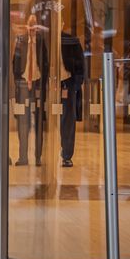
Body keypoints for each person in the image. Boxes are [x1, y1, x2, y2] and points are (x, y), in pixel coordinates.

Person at [12, 14, 49, 167]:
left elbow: (45, 63)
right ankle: (23, 157)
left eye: (35, 24)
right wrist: (17, 81)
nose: (33, 28)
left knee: (39, 121)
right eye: (30, 24)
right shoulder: (20, 40)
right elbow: (15, 62)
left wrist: (44, 83)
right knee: (23, 121)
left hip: (38, 83)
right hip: (22, 83)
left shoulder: (41, 41)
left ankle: (38, 157)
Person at [59, 29, 84, 167]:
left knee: (68, 120)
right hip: (47, 83)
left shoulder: (71, 41)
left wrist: (75, 86)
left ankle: (67, 155)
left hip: (66, 83)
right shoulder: (42, 39)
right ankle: (39, 156)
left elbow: (80, 66)